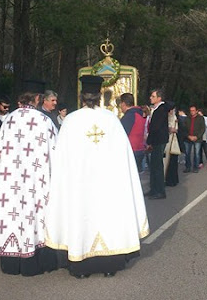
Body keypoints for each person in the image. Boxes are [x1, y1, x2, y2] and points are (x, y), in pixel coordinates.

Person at [45, 75, 149, 278]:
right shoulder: (111, 120)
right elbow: (123, 158)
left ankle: (80, 267)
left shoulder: (71, 120)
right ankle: (110, 265)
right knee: (106, 216)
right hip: (106, 184)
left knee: (81, 216)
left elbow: (62, 159)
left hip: (79, 184)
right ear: (100, 95)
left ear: (82, 96)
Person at [0, 92, 58, 276]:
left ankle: (10, 265)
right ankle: (35, 263)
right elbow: (55, 150)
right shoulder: (44, 120)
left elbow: (0, 152)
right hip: (35, 180)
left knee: (11, 215)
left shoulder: (9, 120)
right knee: (34, 214)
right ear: (37, 99)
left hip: (9, 179)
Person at [145, 89, 175, 199]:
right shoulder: (157, 109)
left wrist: (149, 141)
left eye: (153, 96)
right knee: (153, 166)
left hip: (158, 140)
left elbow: (155, 127)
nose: (150, 98)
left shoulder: (162, 108)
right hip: (156, 139)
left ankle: (160, 190)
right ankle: (153, 189)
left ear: (159, 98)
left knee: (157, 166)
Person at [119, 92, 147, 172]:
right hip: (139, 148)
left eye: (120, 104)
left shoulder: (129, 116)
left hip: (131, 150)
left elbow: (122, 134)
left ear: (123, 103)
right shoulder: (139, 113)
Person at [182, 105, 205, 173]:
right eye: (191, 111)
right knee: (187, 153)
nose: (192, 112)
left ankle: (195, 167)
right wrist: (188, 136)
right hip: (188, 138)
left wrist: (197, 137)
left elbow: (202, 129)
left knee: (196, 153)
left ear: (196, 111)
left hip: (197, 138)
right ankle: (188, 167)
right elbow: (184, 129)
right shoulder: (187, 118)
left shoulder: (200, 118)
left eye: (193, 111)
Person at [164, 108, 180, 187]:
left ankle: (173, 180)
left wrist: (173, 129)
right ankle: (168, 179)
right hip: (167, 142)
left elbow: (177, 129)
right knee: (167, 162)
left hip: (173, 141)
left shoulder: (175, 118)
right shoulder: (166, 118)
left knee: (173, 162)